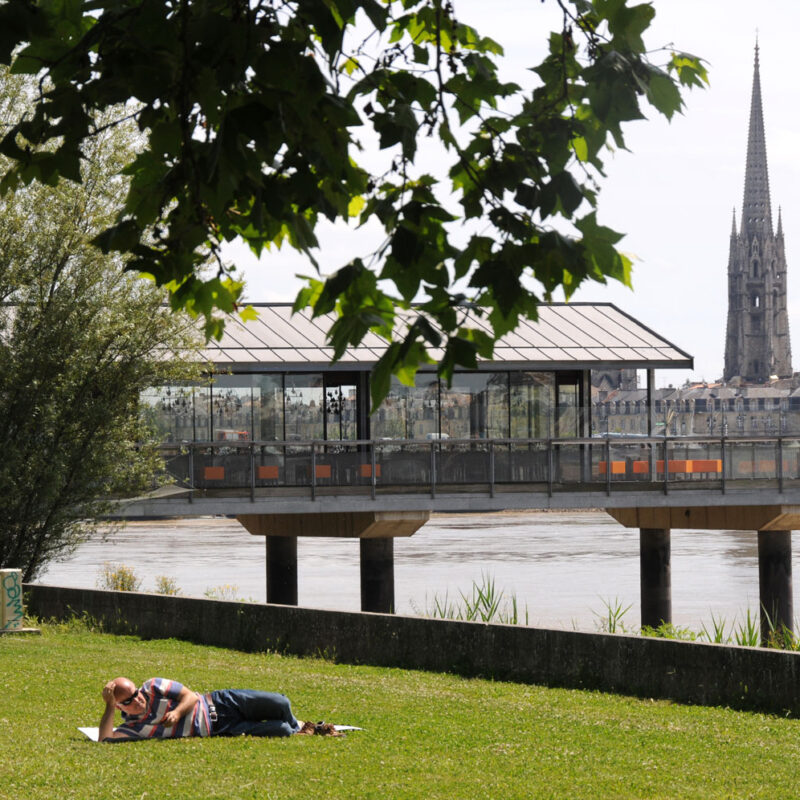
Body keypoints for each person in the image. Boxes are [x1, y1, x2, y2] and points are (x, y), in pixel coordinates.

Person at [99, 677, 341, 742]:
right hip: (223, 727)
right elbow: (104, 738)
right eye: (129, 700)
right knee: (282, 730)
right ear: (119, 705)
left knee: (282, 704)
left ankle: (304, 726)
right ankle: (306, 729)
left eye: (136, 693)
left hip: (222, 701)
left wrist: (177, 713)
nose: (138, 699)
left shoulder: (153, 686)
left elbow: (190, 697)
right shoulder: (133, 727)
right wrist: (108, 708)